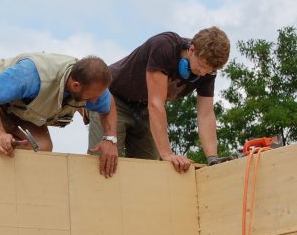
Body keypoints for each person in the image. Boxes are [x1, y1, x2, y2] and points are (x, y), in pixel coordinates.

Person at [0, 54, 119, 177]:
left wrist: (110, 139)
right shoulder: (32, 75)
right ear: (76, 85)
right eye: (93, 97)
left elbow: (108, 106)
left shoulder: (92, 86)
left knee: (42, 148)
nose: (96, 101)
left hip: (21, 111)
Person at [88, 27, 230, 173]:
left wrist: (212, 158)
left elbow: (205, 114)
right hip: (113, 99)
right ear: (192, 50)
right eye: (201, 66)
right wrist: (167, 153)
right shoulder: (165, 46)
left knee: (150, 172)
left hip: (144, 109)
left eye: (210, 70)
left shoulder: (208, 73)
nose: (203, 72)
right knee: (104, 162)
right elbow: (156, 104)